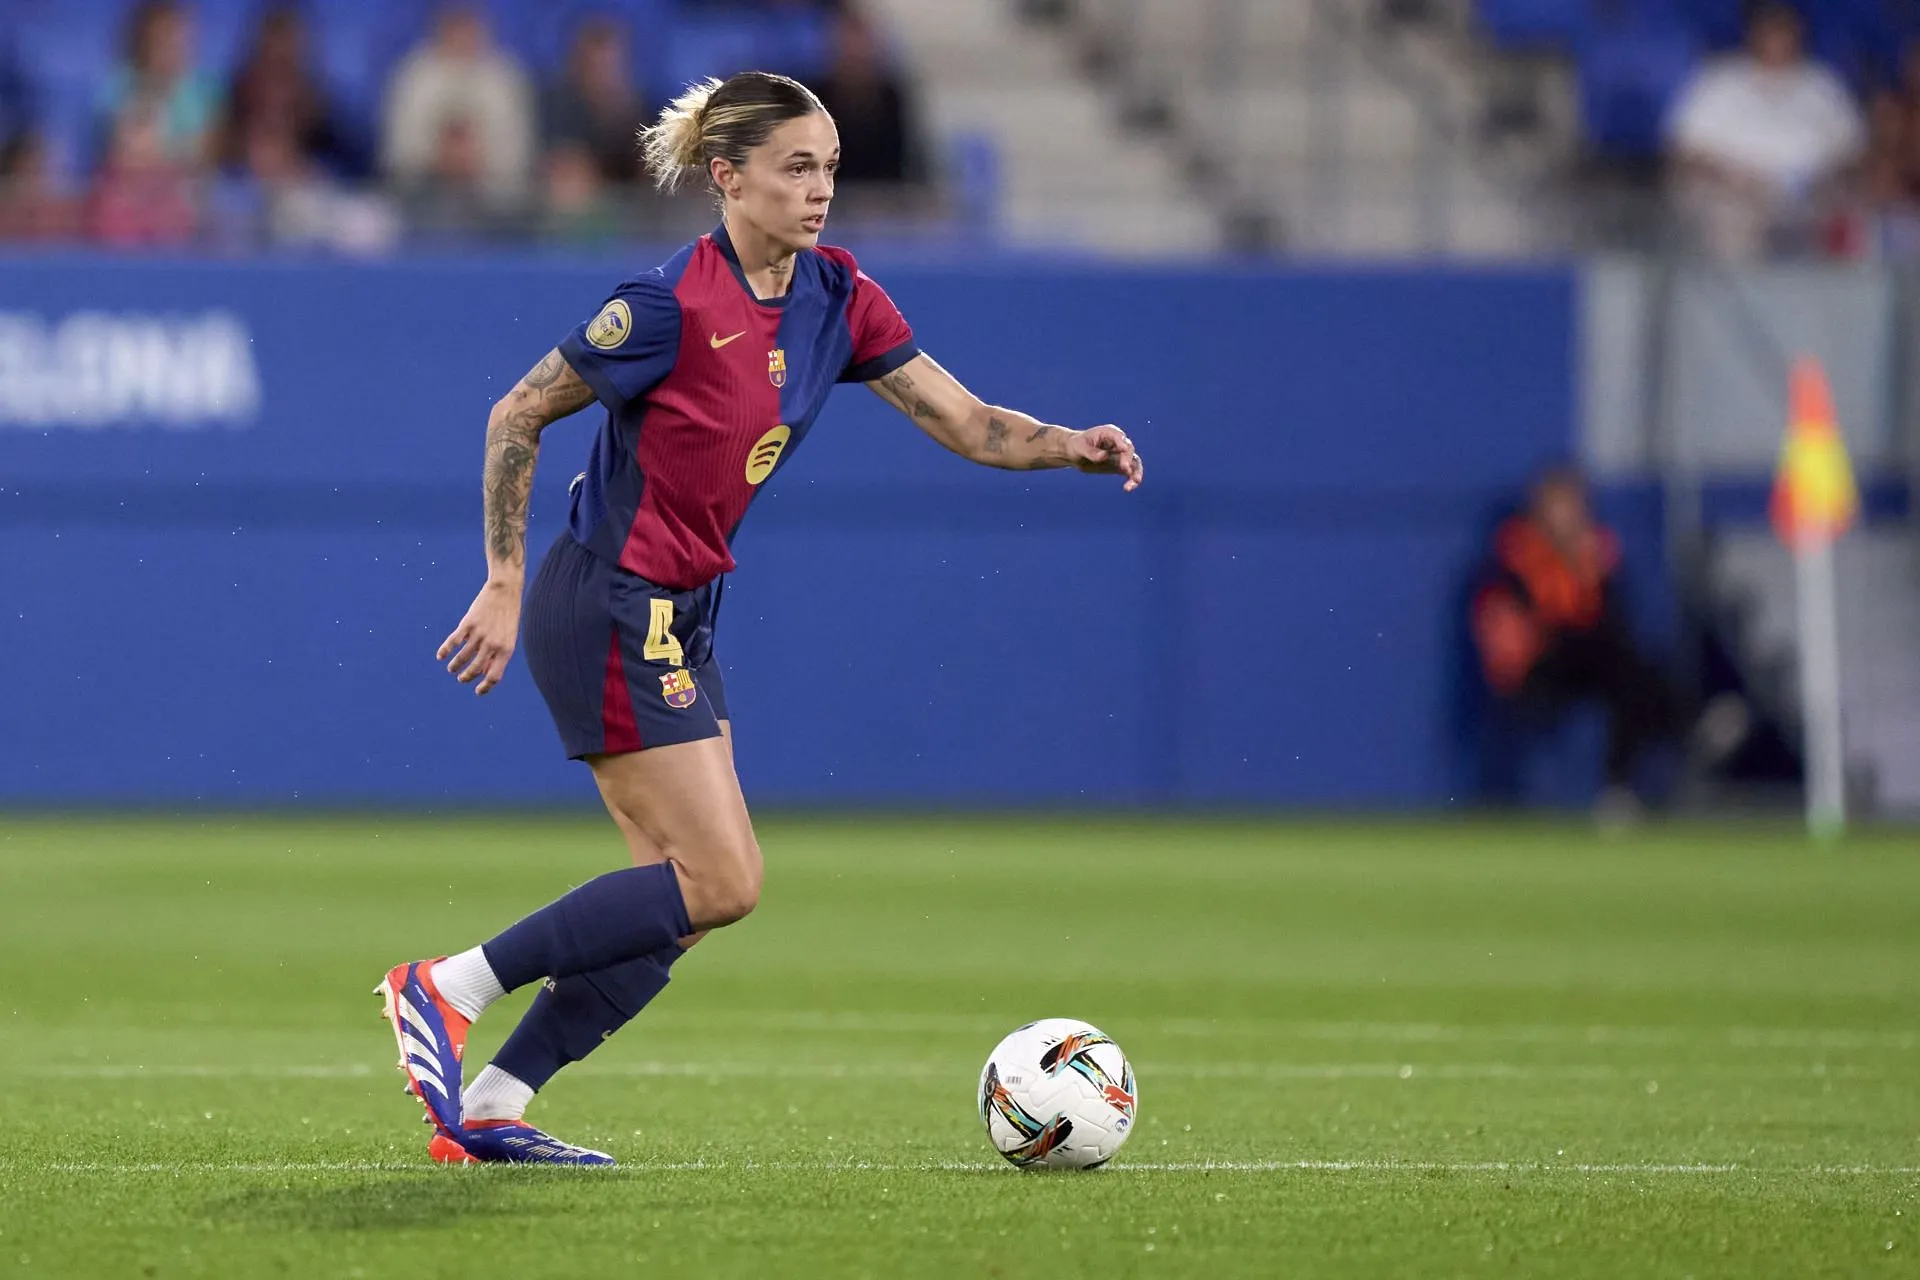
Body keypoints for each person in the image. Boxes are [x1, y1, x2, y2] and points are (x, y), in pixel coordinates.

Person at [377, 70, 1143, 1166]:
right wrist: (501, 578)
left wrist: (1066, 439)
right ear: (727, 178)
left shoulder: (838, 295)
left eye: (829, 166)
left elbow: (968, 421)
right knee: (724, 879)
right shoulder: (664, 308)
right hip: (608, 601)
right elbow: (518, 410)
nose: (820, 188)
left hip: (680, 613)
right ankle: (445, 988)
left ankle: (495, 1101)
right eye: (796, 167)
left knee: (675, 901)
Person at [1470, 469, 1743, 819]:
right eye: (1559, 506)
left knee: (1629, 678)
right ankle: (1687, 724)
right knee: (1618, 663)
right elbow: (1538, 625)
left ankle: (1622, 785)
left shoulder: (1593, 552)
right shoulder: (1516, 557)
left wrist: (1591, 571)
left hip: (1593, 664)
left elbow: (1614, 619)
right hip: (1538, 668)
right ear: (1540, 510)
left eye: (1574, 506)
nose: (1568, 515)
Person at [1665, 2, 1866, 259]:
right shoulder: (1721, 81)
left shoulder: (1822, 85)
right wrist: (1737, 180)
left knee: (1852, 214)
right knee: (1729, 218)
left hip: (1812, 196)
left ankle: (1840, 295)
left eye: (1784, 30)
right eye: (1769, 31)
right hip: (1735, 194)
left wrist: (1821, 180)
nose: (1777, 39)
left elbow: (1853, 150)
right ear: (1753, 34)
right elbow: (1686, 152)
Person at [381, 3, 535, 214]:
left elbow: (519, 154)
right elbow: (398, 152)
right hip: (423, 196)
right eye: (455, 25)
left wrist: (477, 160)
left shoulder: (504, 77)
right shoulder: (414, 76)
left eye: (469, 25)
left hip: (494, 200)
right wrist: (440, 159)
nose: (462, 34)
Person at [95, 0, 222, 170]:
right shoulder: (115, 86)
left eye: (177, 41)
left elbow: (207, 152)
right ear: (141, 41)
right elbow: (117, 149)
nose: (170, 50)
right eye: (161, 41)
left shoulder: (203, 92)